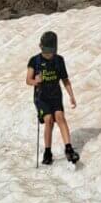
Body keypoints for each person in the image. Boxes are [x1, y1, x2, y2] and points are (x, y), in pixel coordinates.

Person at [27, 30, 79, 164]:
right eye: (46, 51)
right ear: (41, 47)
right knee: (49, 119)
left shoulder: (59, 60)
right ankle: (47, 152)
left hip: (55, 95)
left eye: (50, 52)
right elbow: (28, 80)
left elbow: (65, 80)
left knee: (60, 117)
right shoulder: (35, 61)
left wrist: (71, 96)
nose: (48, 55)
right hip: (41, 97)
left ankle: (69, 149)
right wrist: (36, 81)